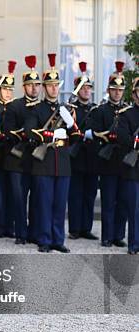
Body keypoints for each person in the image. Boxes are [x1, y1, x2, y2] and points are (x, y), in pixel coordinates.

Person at [25, 53, 79, 253]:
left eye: (56, 85)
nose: (54, 88)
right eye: (50, 85)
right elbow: (31, 131)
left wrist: (71, 122)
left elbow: (76, 136)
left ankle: (58, 239)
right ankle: (45, 239)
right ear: (45, 87)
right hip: (44, 161)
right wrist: (51, 134)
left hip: (62, 162)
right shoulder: (36, 109)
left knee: (59, 204)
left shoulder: (66, 110)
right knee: (44, 204)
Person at [3, 55, 41, 245]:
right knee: (19, 200)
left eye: (37, 85)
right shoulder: (14, 106)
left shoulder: (43, 107)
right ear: (24, 86)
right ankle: (20, 233)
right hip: (17, 159)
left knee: (36, 199)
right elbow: (8, 131)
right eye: (30, 85)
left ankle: (33, 233)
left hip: (37, 160)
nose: (34, 88)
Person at [91, 61, 129, 248]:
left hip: (123, 162)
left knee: (122, 202)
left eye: (120, 90)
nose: (117, 93)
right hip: (107, 161)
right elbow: (96, 133)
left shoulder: (128, 111)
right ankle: (106, 236)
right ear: (108, 89)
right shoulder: (101, 111)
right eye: (114, 89)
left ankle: (118, 236)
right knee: (108, 201)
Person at [67, 61, 99, 241]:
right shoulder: (72, 109)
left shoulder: (96, 109)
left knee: (90, 194)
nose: (86, 90)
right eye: (83, 88)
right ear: (77, 90)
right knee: (75, 195)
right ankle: (75, 229)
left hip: (92, 158)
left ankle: (86, 228)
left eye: (88, 87)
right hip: (76, 156)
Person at [0, 60, 16, 239]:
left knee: (13, 191)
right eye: (5, 89)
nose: (8, 92)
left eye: (10, 89)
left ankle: (10, 225)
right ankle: (0, 227)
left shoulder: (15, 107)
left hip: (14, 155)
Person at [116, 76, 139, 255]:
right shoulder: (126, 115)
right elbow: (123, 138)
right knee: (134, 208)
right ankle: (134, 244)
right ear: (135, 94)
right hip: (133, 168)